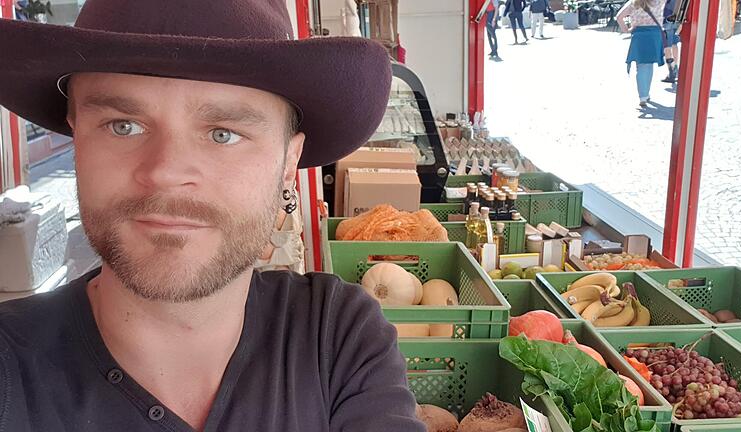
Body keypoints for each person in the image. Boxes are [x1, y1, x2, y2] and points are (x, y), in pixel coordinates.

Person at [0, 0, 426, 431]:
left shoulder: (335, 337)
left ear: (287, 162)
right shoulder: (9, 364)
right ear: (77, 135)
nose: (165, 172)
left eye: (223, 134)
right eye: (123, 125)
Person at [617, 0, 665, 107]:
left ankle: (643, 96)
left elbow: (619, 16)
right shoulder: (659, 1)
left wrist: (626, 29)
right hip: (654, 34)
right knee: (649, 64)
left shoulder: (633, 2)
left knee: (641, 66)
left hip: (639, 34)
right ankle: (646, 93)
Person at [661, 0, 681, 83]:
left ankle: (671, 70)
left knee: (667, 46)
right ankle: (675, 66)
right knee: (674, 43)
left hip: (667, 17)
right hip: (677, 17)